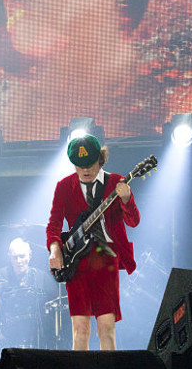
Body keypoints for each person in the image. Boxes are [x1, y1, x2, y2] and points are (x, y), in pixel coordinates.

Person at [47, 135, 140, 351]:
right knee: (80, 331)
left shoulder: (115, 182)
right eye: (79, 166)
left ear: (100, 159)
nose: (85, 170)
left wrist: (126, 200)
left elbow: (133, 221)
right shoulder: (64, 186)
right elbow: (54, 225)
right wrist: (54, 248)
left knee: (106, 329)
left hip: (106, 260)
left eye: (89, 164)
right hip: (76, 261)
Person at [0, 237, 56, 348]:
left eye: (22, 256)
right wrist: (10, 305)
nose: (19, 261)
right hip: (8, 332)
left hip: (38, 334)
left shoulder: (41, 277)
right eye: (15, 257)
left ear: (30, 256)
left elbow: (57, 301)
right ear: (10, 257)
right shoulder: (1, 274)